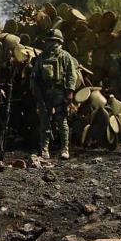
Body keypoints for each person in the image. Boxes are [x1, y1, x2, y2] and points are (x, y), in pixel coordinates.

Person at [30, 29, 79, 160]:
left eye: (53, 41)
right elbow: (35, 76)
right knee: (45, 122)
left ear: (59, 42)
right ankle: (44, 150)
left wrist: (69, 92)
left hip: (60, 92)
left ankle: (65, 149)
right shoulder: (42, 57)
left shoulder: (65, 56)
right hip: (45, 92)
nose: (51, 44)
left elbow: (71, 75)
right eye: (49, 41)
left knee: (61, 120)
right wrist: (36, 92)